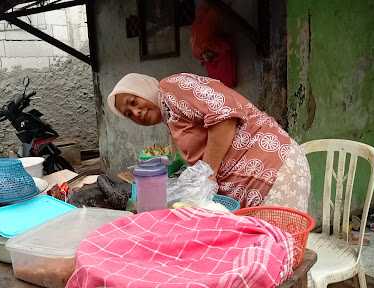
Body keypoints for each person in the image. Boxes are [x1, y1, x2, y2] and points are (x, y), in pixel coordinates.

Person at [107, 72, 311, 211]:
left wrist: (208, 173)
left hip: (271, 169)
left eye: (133, 102)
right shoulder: (170, 116)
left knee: (280, 258)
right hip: (250, 184)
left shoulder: (172, 88)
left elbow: (223, 116)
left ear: (144, 89)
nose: (136, 112)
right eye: (129, 114)